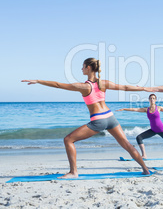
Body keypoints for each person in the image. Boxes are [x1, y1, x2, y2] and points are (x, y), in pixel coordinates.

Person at [22, 57, 150, 178]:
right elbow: (125, 87)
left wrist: (38, 81)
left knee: (68, 140)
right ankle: (145, 169)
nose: (81, 69)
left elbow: (58, 84)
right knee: (127, 144)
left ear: (88, 68)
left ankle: (73, 172)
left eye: (83, 67)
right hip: (111, 117)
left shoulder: (83, 86)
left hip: (99, 120)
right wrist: (144, 89)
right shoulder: (104, 83)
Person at [116, 94, 163, 159]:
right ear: (149, 100)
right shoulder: (146, 109)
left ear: (155, 100)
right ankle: (144, 155)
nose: (152, 99)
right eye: (151, 98)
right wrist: (124, 109)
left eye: (153, 98)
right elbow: (135, 109)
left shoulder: (158, 108)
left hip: (161, 129)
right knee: (139, 138)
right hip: (153, 130)